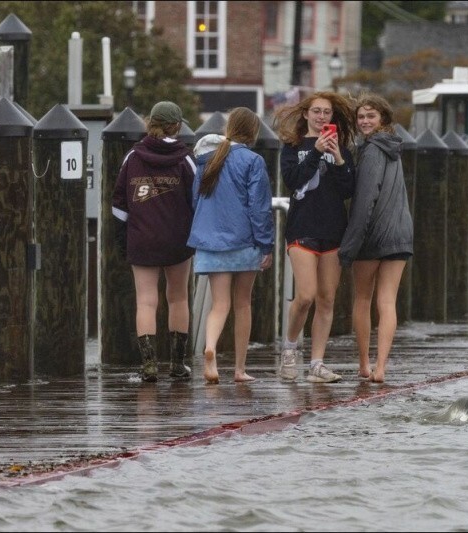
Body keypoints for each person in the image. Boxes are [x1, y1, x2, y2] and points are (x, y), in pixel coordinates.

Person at [273, 91, 356, 383]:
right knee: (305, 296)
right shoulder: (292, 146)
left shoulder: (341, 148)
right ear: (306, 114)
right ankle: (290, 348)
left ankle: (317, 364)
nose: (322, 117)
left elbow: (348, 190)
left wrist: (336, 158)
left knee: (326, 299)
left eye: (327, 113)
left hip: (333, 229)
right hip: (302, 228)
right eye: (317, 111)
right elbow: (293, 180)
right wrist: (317, 151)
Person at [188, 108, 274, 384]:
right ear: (253, 131)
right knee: (242, 303)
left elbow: (195, 200)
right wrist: (266, 245)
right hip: (243, 241)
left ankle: (210, 346)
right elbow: (258, 207)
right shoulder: (253, 160)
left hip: (211, 242)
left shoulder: (206, 159)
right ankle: (239, 368)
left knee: (219, 304)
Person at [112, 101, 196, 382]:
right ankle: (177, 363)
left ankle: (148, 365)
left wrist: (125, 236)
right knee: (178, 297)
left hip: (142, 238)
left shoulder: (133, 157)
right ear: (178, 126)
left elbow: (119, 204)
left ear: (151, 122)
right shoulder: (185, 159)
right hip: (177, 239)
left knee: (146, 301)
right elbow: (196, 200)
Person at [338, 94, 413, 383]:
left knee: (363, 298)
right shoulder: (394, 147)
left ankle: (365, 365)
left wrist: (349, 245)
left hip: (372, 236)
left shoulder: (370, 150)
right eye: (361, 117)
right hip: (400, 233)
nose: (364, 121)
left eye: (370, 116)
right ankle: (382, 366)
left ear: (383, 119)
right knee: (388, 302)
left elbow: (365, 199)